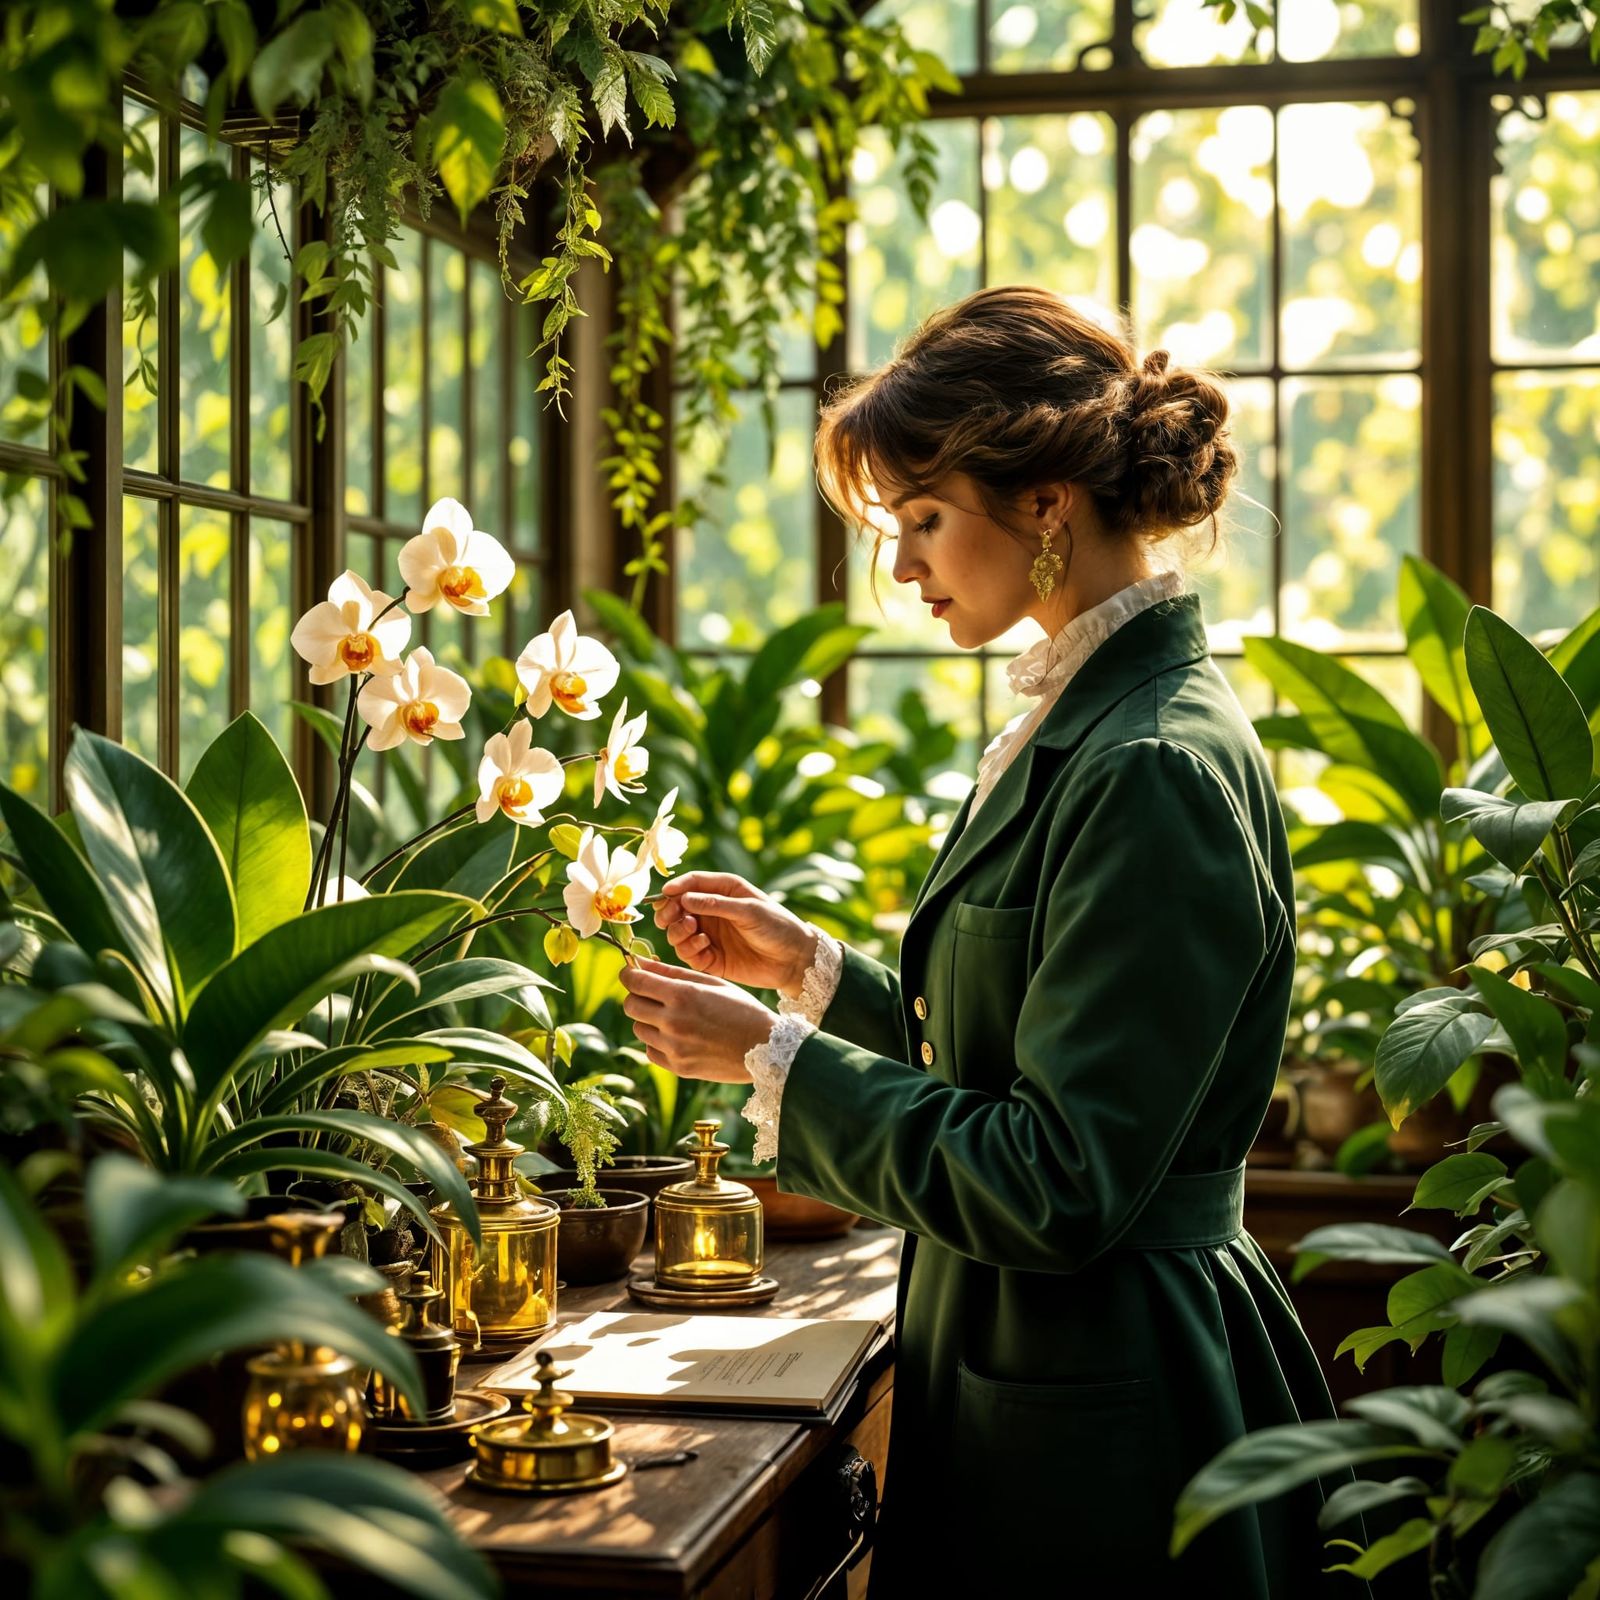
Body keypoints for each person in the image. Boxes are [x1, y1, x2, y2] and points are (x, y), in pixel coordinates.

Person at [617, 285, 1356, 1596]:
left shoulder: (1153, 765)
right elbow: (1013, 1056)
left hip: (1119, 1400)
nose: (901, 569)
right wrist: (808, 973)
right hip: (1041, 1358)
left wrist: (772, 1059)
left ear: (1047, 504)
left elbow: (1060, 1175)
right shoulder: (1094, 717)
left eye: (922, 521)